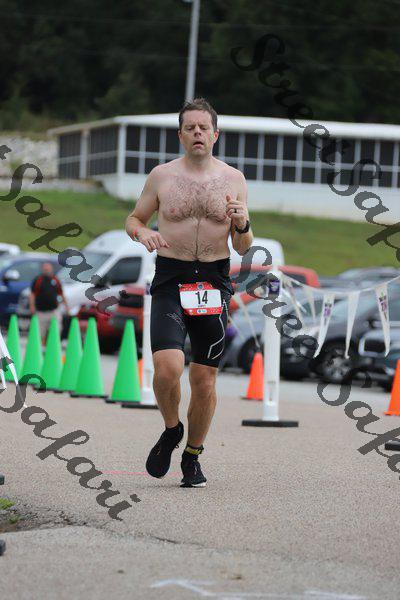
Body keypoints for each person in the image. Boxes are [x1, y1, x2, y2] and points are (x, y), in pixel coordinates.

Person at [125, 97, 253, 488]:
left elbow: (243, 246)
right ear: (180, 135)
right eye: (190, 127)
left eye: (203, 127)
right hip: (171, 277)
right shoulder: (161, 176)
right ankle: (171, 428)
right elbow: (134, 219)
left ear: (215, 134)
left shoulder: (234, 179)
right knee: (167, 368)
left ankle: (193, 456)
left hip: (213, 280)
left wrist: (243, 224)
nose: (197, 133)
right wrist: (142, 233)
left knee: (205, 380)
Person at [29, 262, 69, 346]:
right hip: (41, 311)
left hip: (53, 310)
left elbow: (61, 293)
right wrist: (32, 306)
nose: (46, 270)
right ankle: (42, 348)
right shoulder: (38, 280)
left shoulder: (56, 280)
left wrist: (66, 307)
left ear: (51, 269)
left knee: (56, 330)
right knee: (41, 333)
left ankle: (53, 346)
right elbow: (32, 294)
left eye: (48, 269)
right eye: (45, 269)